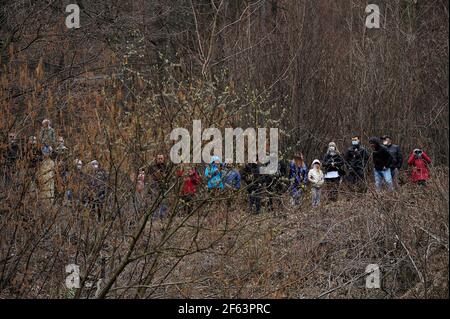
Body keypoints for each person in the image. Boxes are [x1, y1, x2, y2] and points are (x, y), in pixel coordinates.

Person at [148, 153, 170, 219]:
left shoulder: (166, 167)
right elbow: (151, 177)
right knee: (155, 202)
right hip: (155, 186)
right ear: (156, 159)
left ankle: (163, 216)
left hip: (164, 186)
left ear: (163, 159)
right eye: (159, 158)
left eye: (161, 158)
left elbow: (168, 177)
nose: (160, 160)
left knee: (164, 201)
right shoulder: (152, 167)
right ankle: (155, 216)